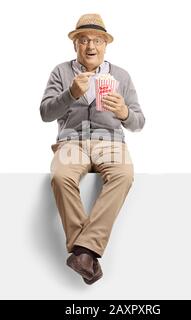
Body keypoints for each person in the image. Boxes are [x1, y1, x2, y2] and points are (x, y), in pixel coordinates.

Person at [40, 13, 145, 284]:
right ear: (75, 44)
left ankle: (83, 251)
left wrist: (123, 112)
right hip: (71, 141)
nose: (91, 46)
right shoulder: (61, 72)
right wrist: (70, 94)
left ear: (105, 45)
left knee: (123, 175)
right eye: (84, 40)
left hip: (110, 140)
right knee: (61, 177)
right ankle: (86, 252)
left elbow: (139, 121)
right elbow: (45, 113)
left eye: (97, 41)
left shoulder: (121, 75)